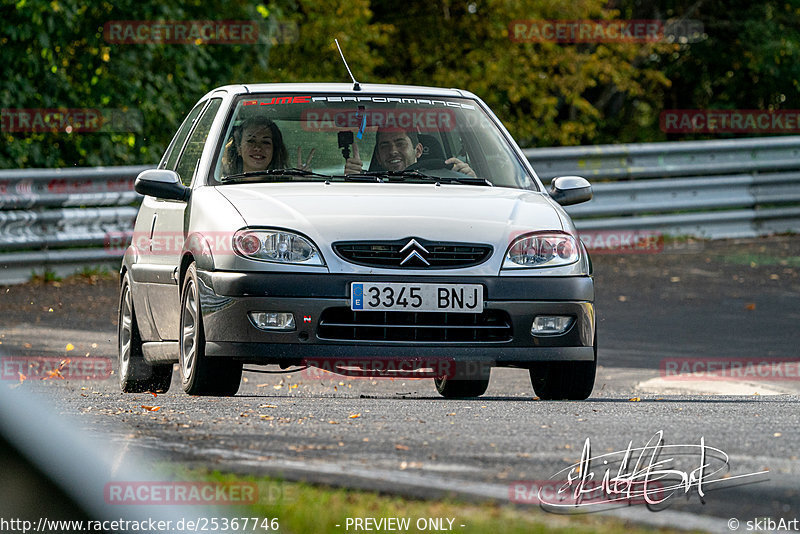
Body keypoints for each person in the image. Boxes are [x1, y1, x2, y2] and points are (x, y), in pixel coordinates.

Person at [343, 129, 476, 177]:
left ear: (418, 151)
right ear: (377, 156)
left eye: (400, 143)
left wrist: (471, 182)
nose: (393, 151)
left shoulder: (450, 185)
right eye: (385, 145)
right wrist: (350, 183)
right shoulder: (366, 190)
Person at [222, 116, 316, 176]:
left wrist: (298, 184)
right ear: (239, 148)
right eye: (251, 141)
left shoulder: (286, 187)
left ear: (274, 150)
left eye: (265, 142)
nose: (257, 147)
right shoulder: (219, 186)